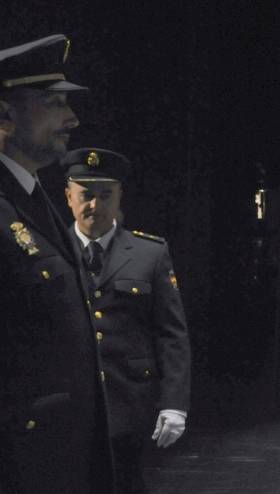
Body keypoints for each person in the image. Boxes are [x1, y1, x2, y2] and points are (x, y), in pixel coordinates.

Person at [0, 35, 115, 492]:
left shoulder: (31, 195)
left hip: (55, 454)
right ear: (5, 113)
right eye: (53, 103)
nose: (72, 119)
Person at [63, 148, 192, 493]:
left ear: (120, 196)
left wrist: (174, 403)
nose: (95, 205)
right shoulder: (51, 251)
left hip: (130, 402)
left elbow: (171, 334)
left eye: (106, 195)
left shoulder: (150, 253)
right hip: (69, 401)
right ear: (69, 197)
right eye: (86, 195)